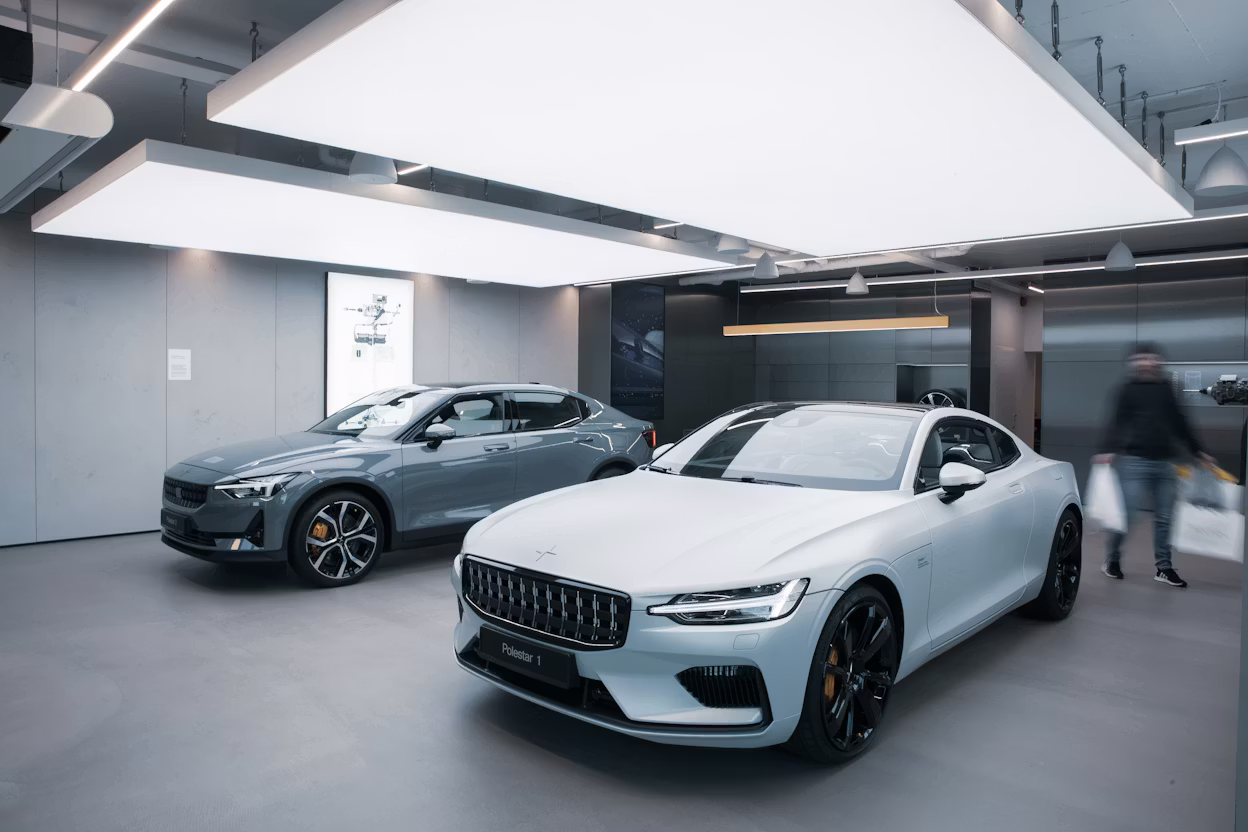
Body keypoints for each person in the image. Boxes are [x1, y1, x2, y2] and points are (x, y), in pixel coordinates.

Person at [1094, 343, 1214, 588]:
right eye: (1141, 359)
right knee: (1126, 517)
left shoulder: (1168, 389)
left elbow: (1181, 423)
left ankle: (1164, 568)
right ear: (1133, 363)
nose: (1146, 362)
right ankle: (1112, 559)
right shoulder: (1126, 390)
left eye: (1151, 358)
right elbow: (1116, 423)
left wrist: (1199, 452)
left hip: (1166, 462)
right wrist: (1106, 450)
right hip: (1134, 462)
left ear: (1158, 361)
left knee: (1165, 518)